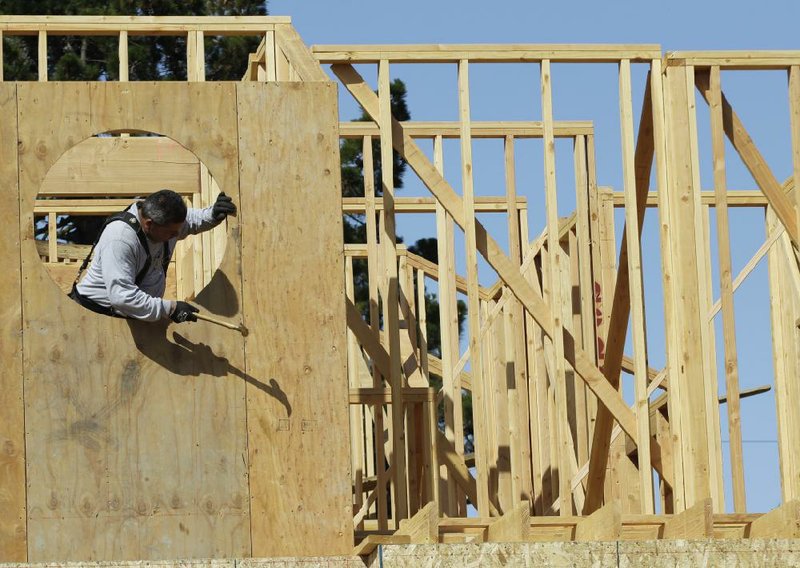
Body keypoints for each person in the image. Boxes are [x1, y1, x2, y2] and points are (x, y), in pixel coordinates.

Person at [69, 189, 236, 323]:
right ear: (149, 225)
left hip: (126, 318)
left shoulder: (163, 223)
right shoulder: (120, 238)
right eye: (172, 233)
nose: (178, 234)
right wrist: (170, 309)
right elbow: (122, 297)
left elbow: (190, 221)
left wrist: (213, 214)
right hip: (93, 318)